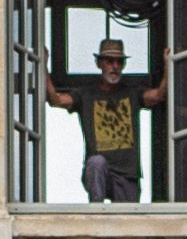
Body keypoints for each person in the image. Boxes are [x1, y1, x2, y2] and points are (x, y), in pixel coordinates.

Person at [45, 38, 167, 203]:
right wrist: (43, 67)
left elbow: (160, 95)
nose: (115, 66)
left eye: (119, 62)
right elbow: (56, 101)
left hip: (127, 174)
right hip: (100, 171)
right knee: (96, 162)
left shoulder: (132, 93)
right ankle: (96, 210)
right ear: (99, 64)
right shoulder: (86, 94)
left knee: (127, 223)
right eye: (109, 61)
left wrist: (169, 65)